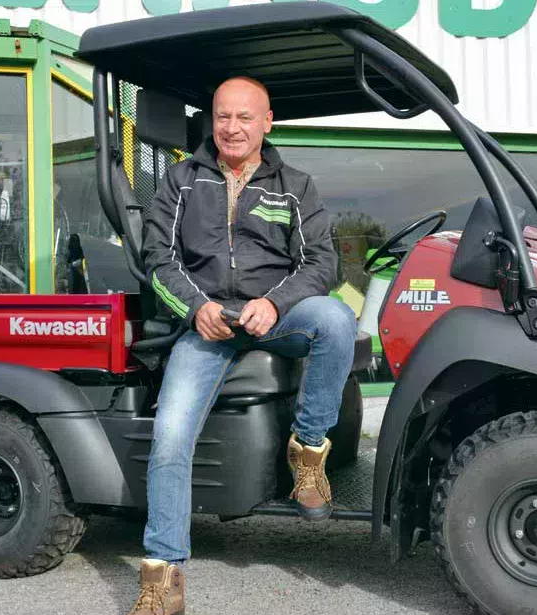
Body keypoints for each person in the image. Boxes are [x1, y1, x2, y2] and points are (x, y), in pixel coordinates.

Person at [129, 76, 358, 615]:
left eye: (244, 117)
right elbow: (157, 259)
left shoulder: (294, 186)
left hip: (274, 316)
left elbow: (323, 264)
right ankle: (164, 578)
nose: (232, 128)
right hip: (207, 327)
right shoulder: (181, 182)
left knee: (337, 319)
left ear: (267, 122)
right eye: (223, 116)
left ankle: (308, 452)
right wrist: (195, 309)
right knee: (169, 438)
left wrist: (276, 303)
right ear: (212, 120)